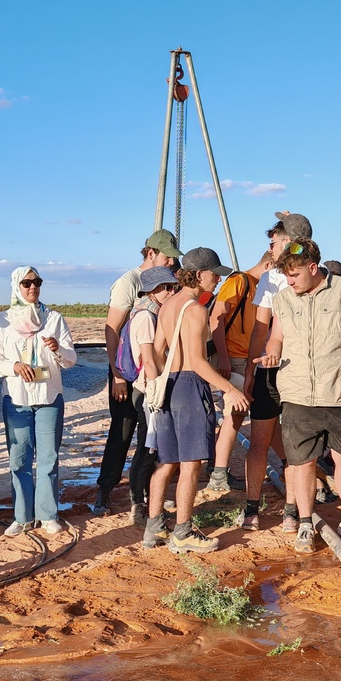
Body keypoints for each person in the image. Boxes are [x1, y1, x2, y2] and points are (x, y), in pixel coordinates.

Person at [255, 237, 341, 552]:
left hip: (339, 391)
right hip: (297, 394)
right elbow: (276, 337)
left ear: (313, 268)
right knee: (302, 463)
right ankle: (305, 524)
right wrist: (272, 351)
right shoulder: (283, 299)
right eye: (286, 276)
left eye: (294, 275)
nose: (290, 281)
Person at [144, 248, 251, 553]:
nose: (217, 280)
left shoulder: (167, 305)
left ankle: (154, 527)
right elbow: (198, 361)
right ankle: (182, 532)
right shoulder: (196, 309)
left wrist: (168, 377)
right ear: (200, 274)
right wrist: (230, 390)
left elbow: (157, 351)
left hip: (169, 384)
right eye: (214, 274)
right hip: (190, 387)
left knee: (167, 461)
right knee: (191, 464)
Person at [93, 229, 182, 518]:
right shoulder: (129, 282)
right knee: (121, 431)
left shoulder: (165, 282)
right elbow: (111, 329)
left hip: (146, 372)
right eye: (167, 257)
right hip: (127, 371)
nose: (171, 262)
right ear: (151, 253)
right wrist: (117, 375)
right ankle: (105, 491)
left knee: (147, 435)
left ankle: (143, 493)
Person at [0, 267, 77, 534]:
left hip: (49, 397)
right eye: (26, 283)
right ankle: (22, 516)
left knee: (48, 458)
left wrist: (58, 349)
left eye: (36, 282)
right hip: (17, 399)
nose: (32, 287)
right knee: (19, 459)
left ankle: (48, 515)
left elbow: (71, 359)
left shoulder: (54, 319)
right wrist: (14, 367)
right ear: (16, 286)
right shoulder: (3, 321)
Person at [242, 213, 311, 533]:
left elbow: (262, 328)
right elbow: (261, 329)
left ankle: (290, 510)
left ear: (290, 242)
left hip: (299, 370)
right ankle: (255, 508)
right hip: (272, 368)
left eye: (274, 242)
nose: (269, 248)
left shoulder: (311, 275)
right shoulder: (272, 278)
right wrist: (251, 368)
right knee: (262, 440)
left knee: (294, 444)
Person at [206, 250, 269, 492]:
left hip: (245, 358)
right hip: (234, 357)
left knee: (237, 414)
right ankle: (218, 473)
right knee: (237, 413)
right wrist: (224, 358)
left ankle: (217, 470)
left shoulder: (254, 285)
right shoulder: (239, 281)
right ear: (268, 266)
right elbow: (217, 318)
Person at [127, 266, 178, 525]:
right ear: (152, 290)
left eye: (173, 287)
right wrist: (158, 390)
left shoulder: (148, 311)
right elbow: (148, 359)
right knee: (147, 449)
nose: (171, 292)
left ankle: (147, 499)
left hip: (148, 389)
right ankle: (137, 503)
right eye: (166, 287)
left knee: (151, 447)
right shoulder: (147, 316)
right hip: (148, 391)